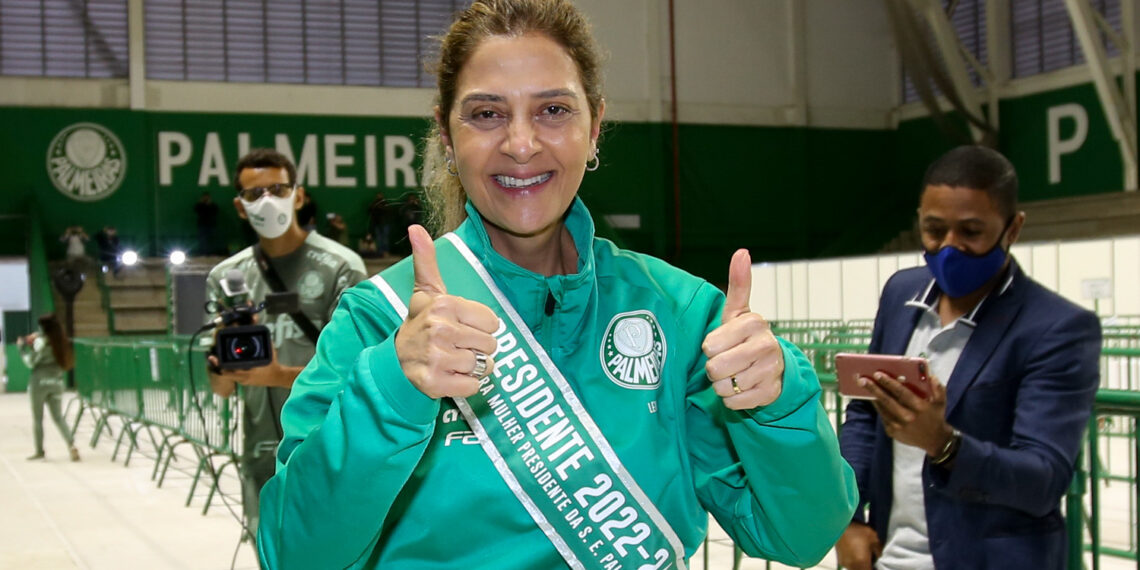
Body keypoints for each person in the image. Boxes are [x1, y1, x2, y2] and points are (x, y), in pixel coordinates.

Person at [257, 2, 857, 568]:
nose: (521, 144)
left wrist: (780, 401)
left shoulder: (680, 312)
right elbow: (293, 553)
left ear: (595, 127)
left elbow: (799, 536)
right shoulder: (380, 319)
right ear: (446, 135)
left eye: (553, 110)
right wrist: (393, 386)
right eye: (487, 114)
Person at [835, 146, 1101, 570]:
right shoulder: (901, 294)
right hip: (889, 556)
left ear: (1012, 228)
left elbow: (1044, 479)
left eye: (971, 232)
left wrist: (944, 445)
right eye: (934, 229)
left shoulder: (1057, 328)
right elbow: (866, 416)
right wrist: (846, 517)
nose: (949, 248)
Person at [205, 148, 367, 544]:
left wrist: (278, 375)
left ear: (298, 196)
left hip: (329, 443)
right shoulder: (227, 277)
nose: (267, 201)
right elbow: (220, 388)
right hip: (261, 449)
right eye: (254, 193)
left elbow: (358, 374)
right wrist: (222, 360)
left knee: (332, 551)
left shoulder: (341, 268)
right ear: (240, 207)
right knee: (270, 551)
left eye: (277, 189)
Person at [19, 314, 80, 462]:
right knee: (58, 417)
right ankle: (71, 445)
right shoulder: (61, 342)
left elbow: (31, 362)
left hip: (39, 383)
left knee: (38, 418)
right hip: (57, 382)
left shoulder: (41, 342)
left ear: (43, 327)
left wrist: (21, 348)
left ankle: (39, 451)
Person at [367, 191, 392, 256]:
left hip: (385, 223)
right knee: (379, 238)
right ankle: (380, 252)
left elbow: (389, 210)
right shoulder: (375, 203)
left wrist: (380, 207)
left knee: (385, 238)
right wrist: (375, 204)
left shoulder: (385, 203)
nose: (379, 197)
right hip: (377, 223)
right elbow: (370, 210)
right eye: (378, 196)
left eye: (380, 196)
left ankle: (386, 251)